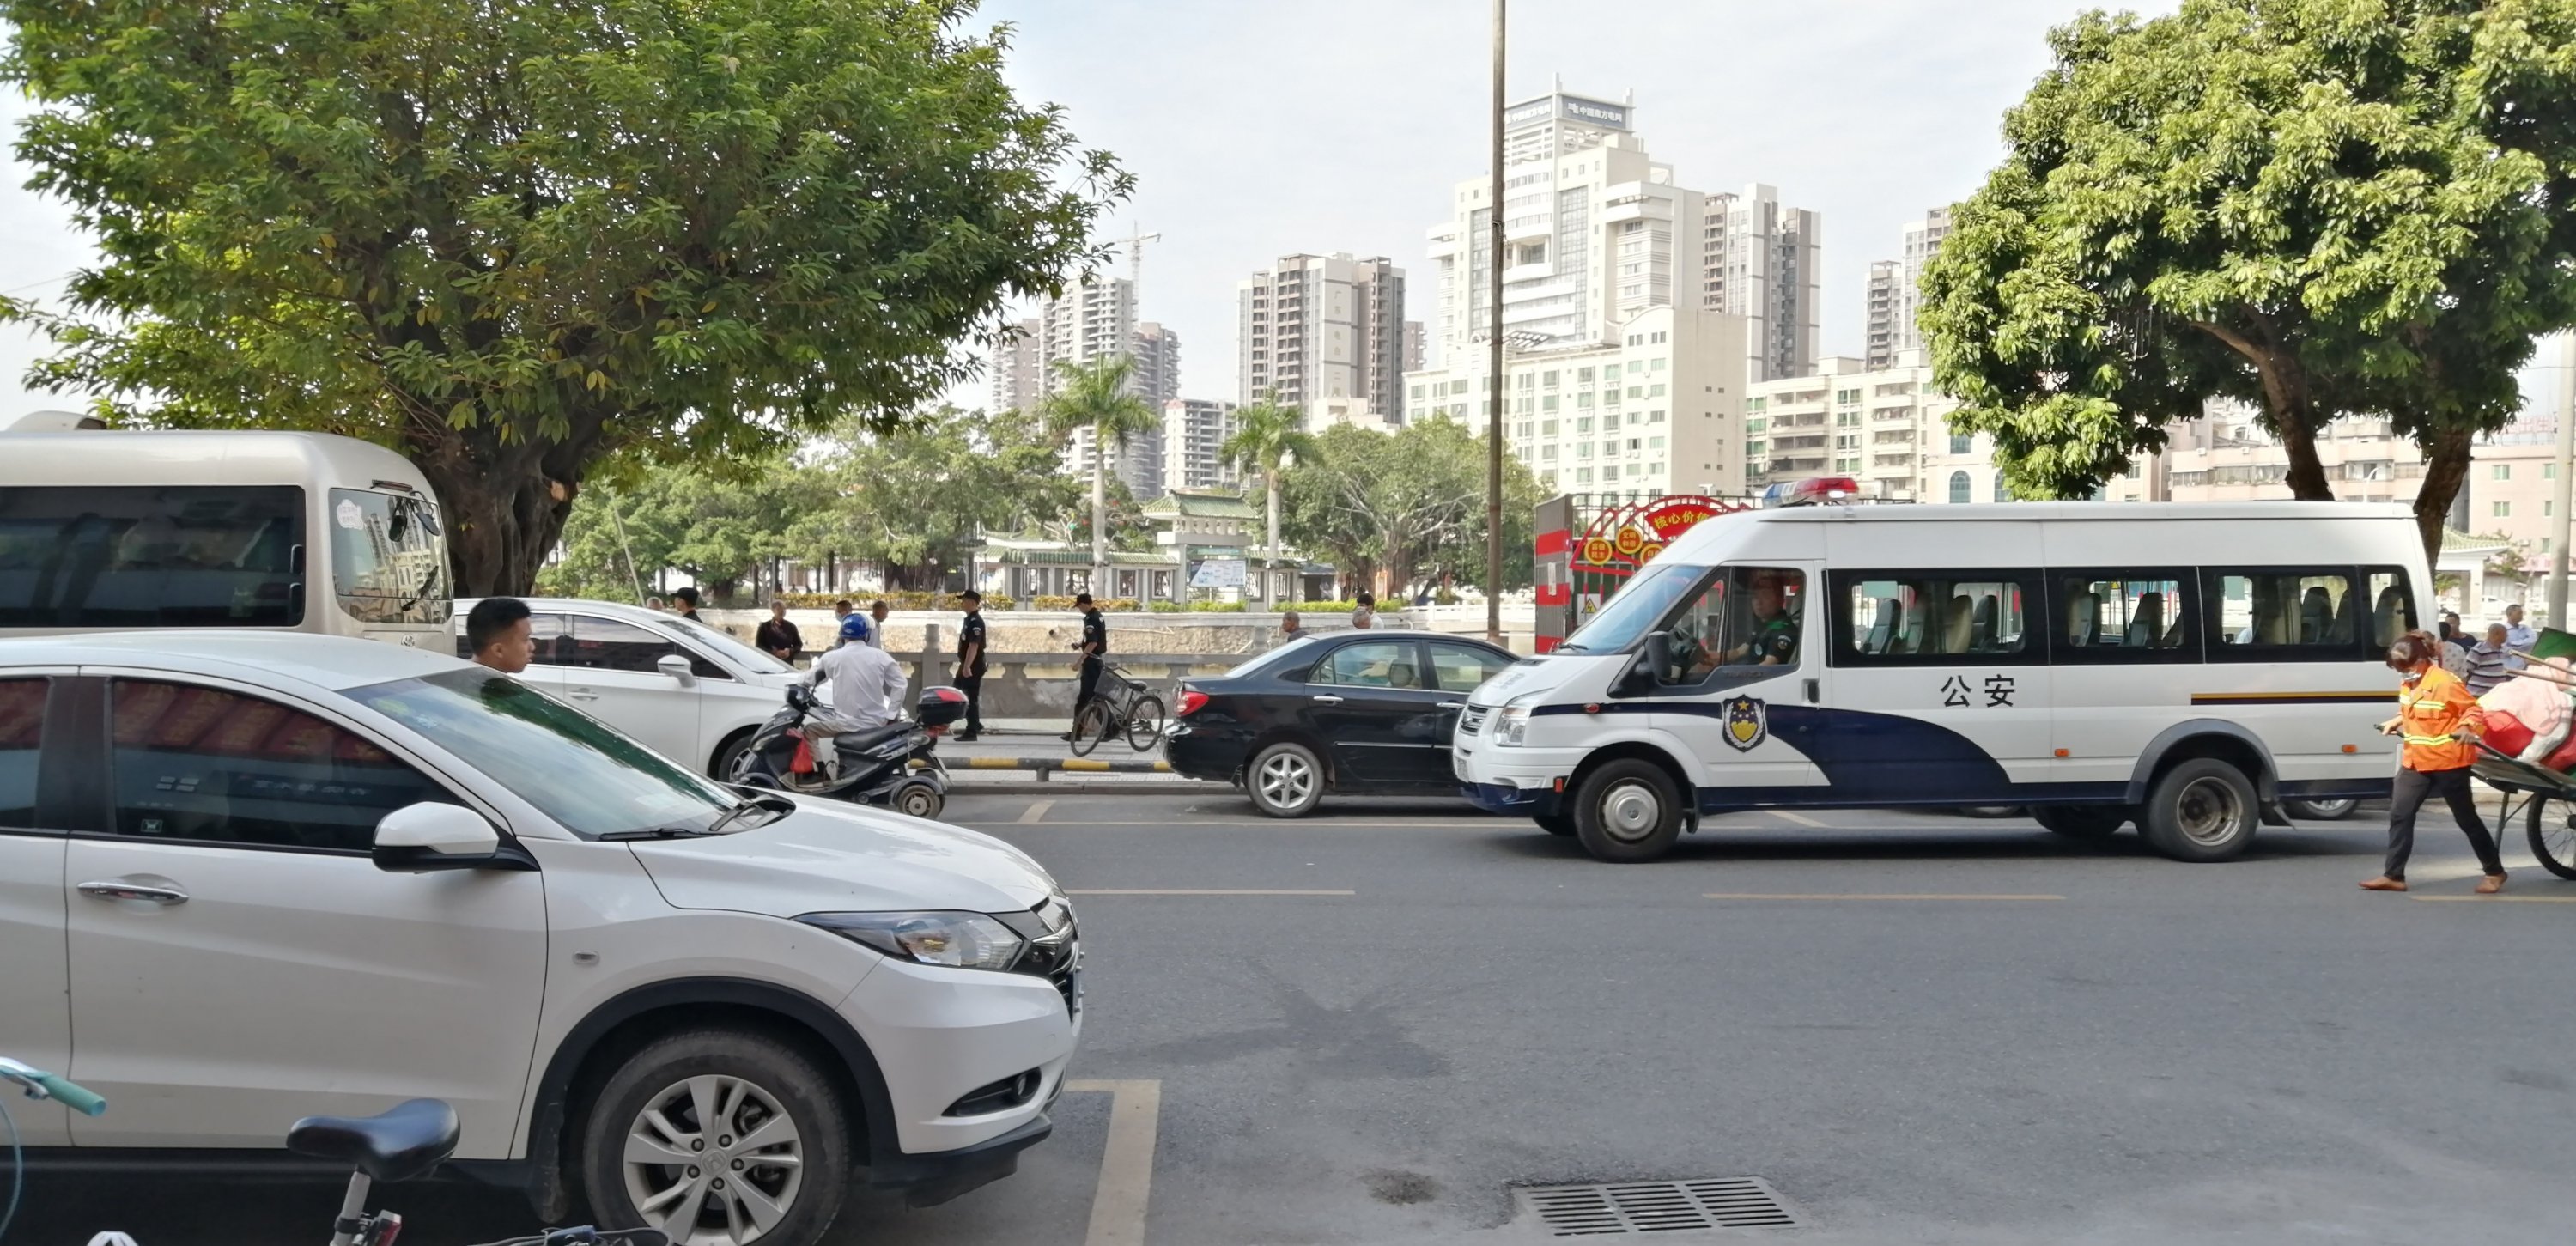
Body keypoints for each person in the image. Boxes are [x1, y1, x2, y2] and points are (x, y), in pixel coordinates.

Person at [2363, 630, 2506, 895]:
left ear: (2421, 661)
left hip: (2448, 761)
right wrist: (2397, 720)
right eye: (2399, 671)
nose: (2403, 675)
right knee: (2400, 814)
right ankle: (2394, 875)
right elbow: (2413, 710)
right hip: (2416, 760)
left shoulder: (2445, 682)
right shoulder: (2410, 681)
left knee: (2466, 818)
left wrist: (2467, 727)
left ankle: (2495, 872)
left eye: (2406, 670)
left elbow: (2473, 710)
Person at [799, 616, 908, 778]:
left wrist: (797, 684)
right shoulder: (881, 657)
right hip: (876, 723)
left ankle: (822, 773)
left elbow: (807, 680)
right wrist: (891, 715)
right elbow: (900, 684)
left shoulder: (832, 658)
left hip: (845, 725)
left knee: (809, 731)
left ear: (842, 635)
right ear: (867, 635)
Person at [1728, 572, 1801, 666]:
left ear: (1780, 599)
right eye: (1755, 596)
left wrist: (1740, 673)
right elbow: (1739, 651)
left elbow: (1768, 665)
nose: (1758, 601)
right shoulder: (1763, 624)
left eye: (1765, 595)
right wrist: (1714, 658)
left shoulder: (1784, 629)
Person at [1063, 593, 1108, 741]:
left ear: (1084, 604)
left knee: (1090, 699)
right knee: (1087, 699)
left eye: (1079, 606)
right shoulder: (1098, 616)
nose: (1079, 609)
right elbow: (1090, 639)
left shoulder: (1091, 618)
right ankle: (1078, 732)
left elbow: (1093, 643)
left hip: (1092, 663)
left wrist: (1079, 661)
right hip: (1095, 661)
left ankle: (1110, 728)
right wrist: (1079, 644)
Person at [465, 596, 537, 675]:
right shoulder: (470, 682)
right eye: (526, 639)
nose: (532, 647)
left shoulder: (463, 675)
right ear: (498, 650)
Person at [956, 590, 988, 741]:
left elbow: (973, 646)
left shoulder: (976, 622)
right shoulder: (969, 620)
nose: (962, 603)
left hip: (973, 665)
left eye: (964, 600)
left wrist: (967, 666)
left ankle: (972, 731)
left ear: (972, 603)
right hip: (966, 663)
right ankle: (975, 723)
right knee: (958, 692)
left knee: (968, 697)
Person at [2467, 623, 2512, 696]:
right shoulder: (2479, 649)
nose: (2507, 636)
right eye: (2505, 633)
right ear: (2497, 634)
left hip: (2495, 694)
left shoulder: (2504, 650)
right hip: (2478, 693)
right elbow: (2467, 670)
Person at [755, 599, 801, 664]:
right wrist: (774, 653)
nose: (782, 611)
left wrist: (790, 651)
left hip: (787, 663)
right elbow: (759, 646)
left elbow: (798, 645)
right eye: (779, 609)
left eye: (784, 609)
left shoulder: (791, 627)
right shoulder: (764, 627)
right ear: (773, 610)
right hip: (769, 662)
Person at [2505, 603, 2537, 671]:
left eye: (2522, 613)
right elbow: (2504, 650)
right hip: (2511, 667)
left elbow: (2534, 640)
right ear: (2510, 614)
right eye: (2519, 613)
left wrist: (2513, 644)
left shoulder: (2526, 628)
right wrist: (2525, 645)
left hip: (2527, 665)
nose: (2521, 615)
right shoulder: (2503, 630)